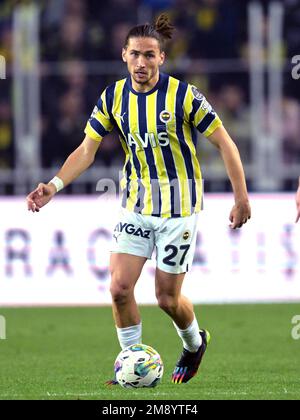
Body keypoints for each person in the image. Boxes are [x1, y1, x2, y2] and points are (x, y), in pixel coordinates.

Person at [26, 14, 251, 384]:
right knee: (118, 288)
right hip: (136, 206)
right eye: (135, 55)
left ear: (162, 57)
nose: (142, 63)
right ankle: (131, 364)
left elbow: (225, 143)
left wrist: (241, 199)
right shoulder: (113, 97)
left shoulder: (184, 95)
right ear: (123, 55)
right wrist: (53, 186)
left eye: (149, 55)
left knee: (166, 298)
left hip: (179, 210)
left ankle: (194, 344)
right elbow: (86, 150)